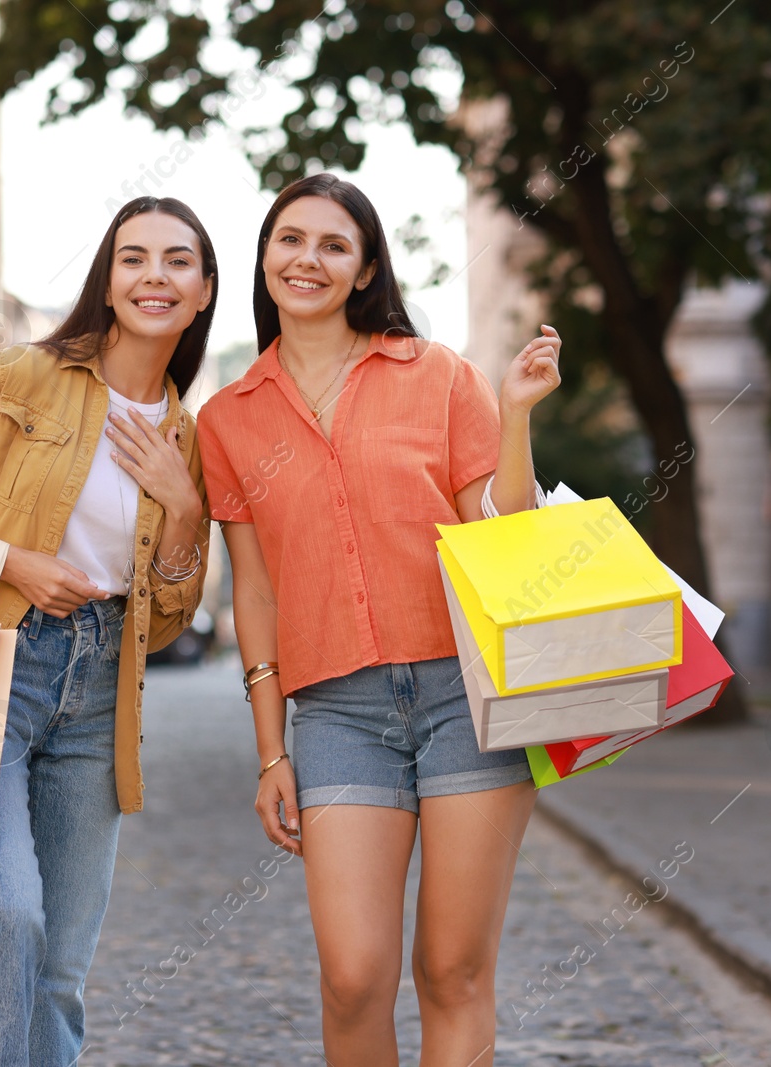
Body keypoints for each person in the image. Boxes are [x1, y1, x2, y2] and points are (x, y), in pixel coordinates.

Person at [196, 173, 561, 1066]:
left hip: (464, 699)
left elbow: (505, 533)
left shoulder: (438, 376)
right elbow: (256, 592)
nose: (307, 259)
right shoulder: (229, 417)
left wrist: (513, 418)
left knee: (452, 969)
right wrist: (271, 751)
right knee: (354, 975)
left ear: (364, 271)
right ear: (266, 256)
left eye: (333, 245)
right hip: (336, 715)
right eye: (291, 239)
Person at [0, 196, 215, 1066]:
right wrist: (10, 559)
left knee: (61, 965)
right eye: (134, 258)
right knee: (9, 914)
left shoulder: (187, 436)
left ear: (205, 291)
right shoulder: (19, 377)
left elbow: (169, 617)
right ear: (109, 277)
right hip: (0, 668)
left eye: (178, 262)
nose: (155, 277)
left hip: (101, 696)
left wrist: (184, 506)